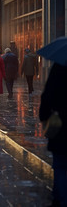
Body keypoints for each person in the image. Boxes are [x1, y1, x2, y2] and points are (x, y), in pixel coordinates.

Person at [39, 62, 67, 206]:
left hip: (61, 125)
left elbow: (48, 94)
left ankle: (61, 198)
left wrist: (43, 116)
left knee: (61, 165)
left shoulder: (59, 67)